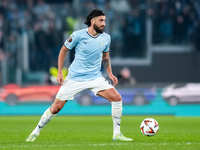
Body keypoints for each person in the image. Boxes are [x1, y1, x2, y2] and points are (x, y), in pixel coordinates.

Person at [26, 9, 133, 142]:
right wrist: (60, 72)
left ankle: (117, 134)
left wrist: (110, 74)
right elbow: (63, 50)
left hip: (95, 78)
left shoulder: (106, 38)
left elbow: (105, 56)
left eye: (104, 21)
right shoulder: (77, 35)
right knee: (56, 107)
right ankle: (36, 131)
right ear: (92, 21)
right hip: (75, 78)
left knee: (117, 98)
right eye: (101, 20)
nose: (103, 23)